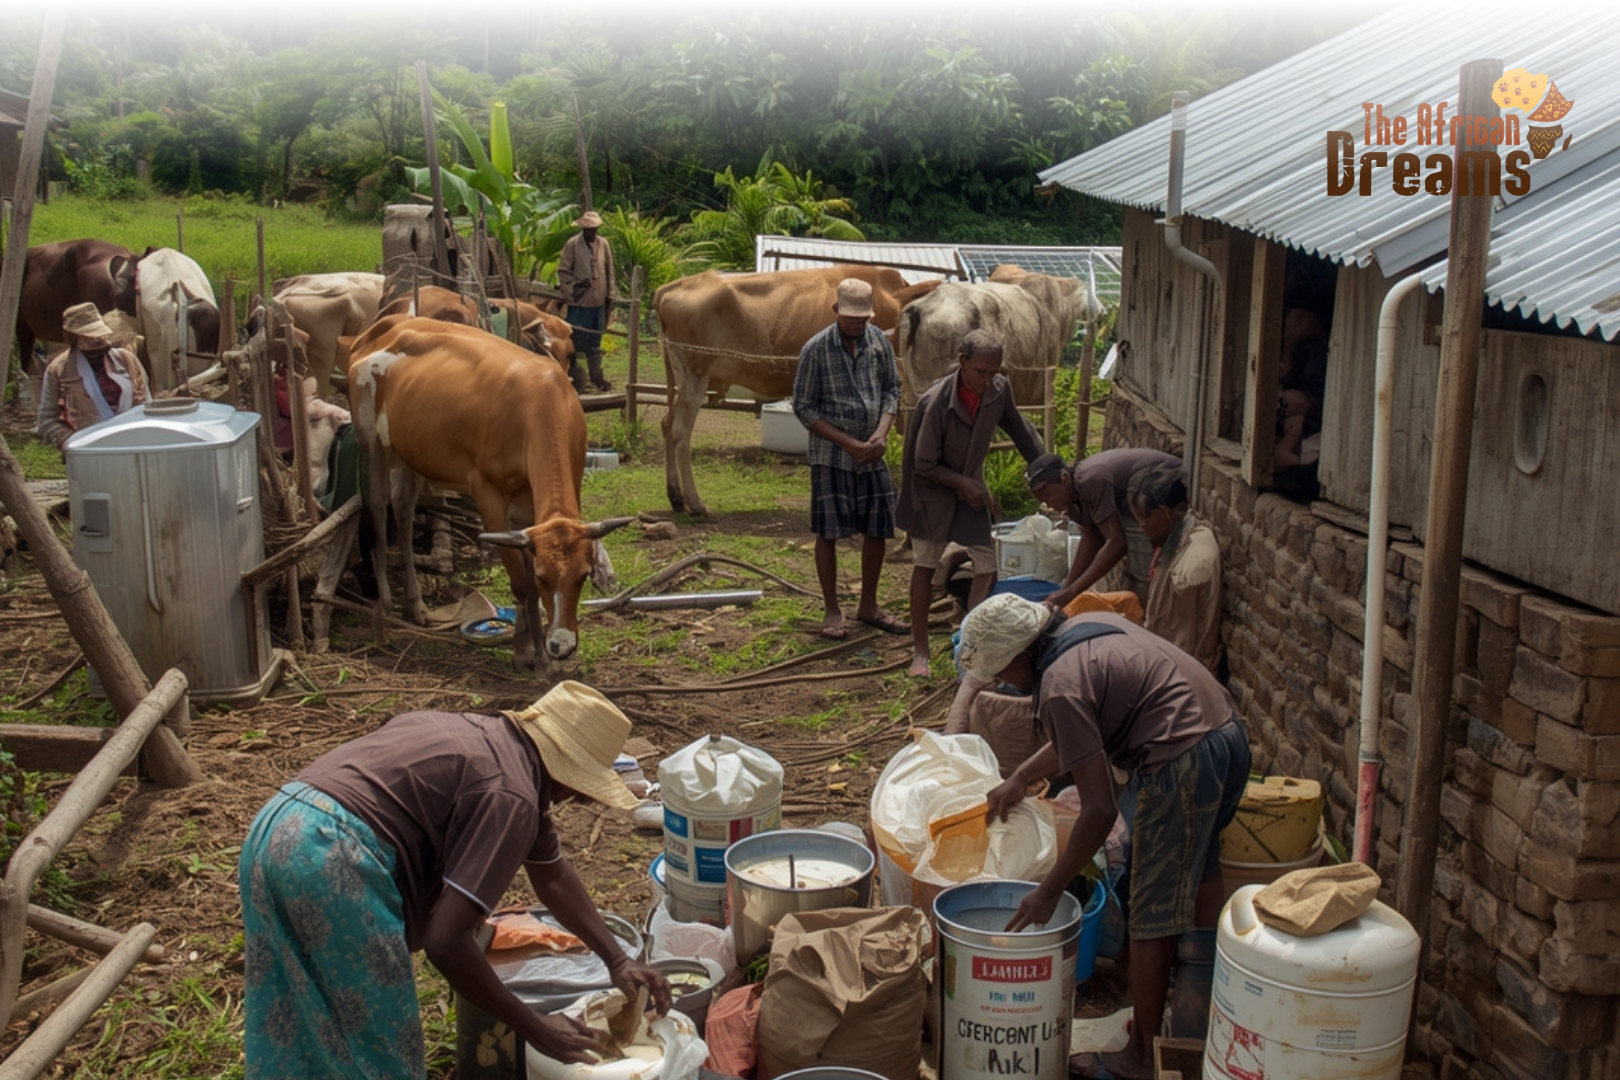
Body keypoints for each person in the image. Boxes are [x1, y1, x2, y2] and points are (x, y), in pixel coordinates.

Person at [239, 681, 670, 1080]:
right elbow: (446, 942)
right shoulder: (512, 793)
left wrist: (618, 960)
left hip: (279, 827)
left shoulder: (486, 740)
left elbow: (553, 875)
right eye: (578, 788)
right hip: (333, 860)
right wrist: (533, 1027)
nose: (573, 798)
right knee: (376, 1038)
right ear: (567, 775)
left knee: (297, 1009)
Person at [955, 595, 1250, 1080]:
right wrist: (1022, 776)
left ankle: (1140, 1056)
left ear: (1021, 652)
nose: (1004, 682)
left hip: (1181, 758)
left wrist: (1047, 892)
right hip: (1227, 733)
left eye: (1003, 672)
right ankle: (1198, 1015)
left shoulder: (1057, 686)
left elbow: (1098, 811)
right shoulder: (1085, 627)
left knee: (1149, 910)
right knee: (1203, 870)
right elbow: (1081, 732)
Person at [896, 329, 1044, 676]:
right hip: (931, 491)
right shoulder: (935, 402)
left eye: (994, 372)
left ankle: (969, 637)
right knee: (926, 564)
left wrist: (1043, 469)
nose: (987, 379)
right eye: (981, 372)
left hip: (969, 487)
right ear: (962, 362)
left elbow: (1019, 430)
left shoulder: (998, 391)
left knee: (987, 562)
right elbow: (924, 463)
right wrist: (963, 483)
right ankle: (921, 653)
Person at [791, 278, 909, 641]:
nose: (857, 324)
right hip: (832, 455)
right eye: (851, 318)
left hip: (873, 453)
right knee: (829, 532)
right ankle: (832, 609)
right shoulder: (816, 349)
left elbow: (892, 390)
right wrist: (849, 444)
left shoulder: (878, 344)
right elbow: (804, 407)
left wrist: (880, 434)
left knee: (877, 528)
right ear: (836, 312)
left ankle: (869, 605)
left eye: (863, 318)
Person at [1023, 446, 1184, 610]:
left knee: (1151, 574)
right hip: (1142, 494)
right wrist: (1064, 591)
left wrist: (1072, 592)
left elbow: (1117, 544)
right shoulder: (1073, 501)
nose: (1048, 504)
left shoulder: (1089, 480)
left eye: (1048, 495)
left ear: (1063, 479)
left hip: (1170, 480)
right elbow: (1091, 539)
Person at [1127, 463, 1223, 673]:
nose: (1142, 526)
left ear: (1165, 512)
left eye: (1146, 516)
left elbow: (1187, 636)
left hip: (1183, 670)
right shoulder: (1172, 540)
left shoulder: (1194, 560)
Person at [35, 301, 150, 451]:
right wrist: (73, 441)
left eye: (101, 338)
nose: (98, 343)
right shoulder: (58, 370)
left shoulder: (127, 360)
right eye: (90, 338)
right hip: (90, 448)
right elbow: (46, 421)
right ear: (75, 338)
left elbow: (147, 404)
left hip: (133, 442)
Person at [557, 210, 617, 394]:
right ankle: (576, 377)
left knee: (595, 340)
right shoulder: (572, 245)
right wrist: (575, 285)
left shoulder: (603, 244)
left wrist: (611, 294)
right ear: (583, 229)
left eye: (595, 229)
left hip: (599, 300)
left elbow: (609, 271)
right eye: (589, 230)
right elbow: (563, 271)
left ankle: (596, 377)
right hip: (579, 302)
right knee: (575, 339)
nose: (592, 233)